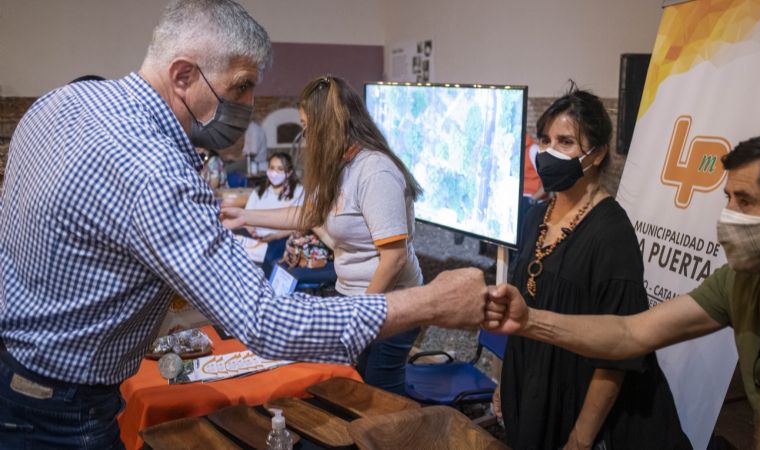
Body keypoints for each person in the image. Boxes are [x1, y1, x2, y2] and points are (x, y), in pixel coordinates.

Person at [0, 1, 489, 448]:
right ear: (184, 75)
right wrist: (433, 302)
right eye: (239, 87)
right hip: (59, 406)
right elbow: (265, 321)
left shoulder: (59, 104)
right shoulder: (155, 170)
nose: (247, 105)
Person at [485, 129, 760, 438]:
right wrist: (528, 321)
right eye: (728, 198)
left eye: (745, 201)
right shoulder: (739, 282)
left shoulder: (609, 229)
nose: (728, 216)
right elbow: (631, 333)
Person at [491, 87, 690, 450]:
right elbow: (521, 313)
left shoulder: (612, 234)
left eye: (566, 142)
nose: (550, 151)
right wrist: (507, 381)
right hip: (532, 383)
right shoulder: (536, 216)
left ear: (596, 154)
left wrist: (581, 438)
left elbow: (619, 352)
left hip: (579, 398)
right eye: (547, 139)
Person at [221, 75, 425, 396]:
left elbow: (394, 257)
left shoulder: (375, 171)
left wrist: (362, 319)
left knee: (379, 396)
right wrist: (244, 215)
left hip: (391, 304)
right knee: (350, 390)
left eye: (307, 125)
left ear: (330, 124)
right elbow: (307, 215)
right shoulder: (339, 166)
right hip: (354, 299)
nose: (305, 136)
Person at [244, 151, 304, 242]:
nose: (274, 173)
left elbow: (302, 223)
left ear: (290, 172)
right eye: (272, 168)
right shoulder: (259, 191)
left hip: (283, 240)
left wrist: (276, 236)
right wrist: (252, 231)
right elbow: (246, 216)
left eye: (280, 169)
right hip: (256, 239)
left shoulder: (299, 192)